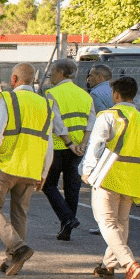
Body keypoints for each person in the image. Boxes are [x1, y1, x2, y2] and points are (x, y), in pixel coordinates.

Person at [0, 63, 67, 276]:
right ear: (33, 81)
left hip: (6, 164)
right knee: (20, 213)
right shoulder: (45, 104)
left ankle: (18, 248)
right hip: (31, 168)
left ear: (14, 79)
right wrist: (43, 173)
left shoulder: (9, 99)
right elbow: (48, 143)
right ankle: (14, 260)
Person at [80, 76, 140, 279]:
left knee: (106, 222)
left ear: (115, 95)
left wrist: (87, 170)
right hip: (135, 177)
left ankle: (129, 263)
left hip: (109, 174)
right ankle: (108, 265)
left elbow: (96, 145)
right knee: (121, 222)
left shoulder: (109, 116)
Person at [43, 59, 92, 240]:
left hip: (59, 146)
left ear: (61, 73)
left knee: (49, 184)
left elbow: (57, 122)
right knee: (73, 188)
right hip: (79, 148)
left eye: (53, 72)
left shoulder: (52, 93)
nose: (51, 75)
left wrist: (68, 142)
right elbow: (91, 121)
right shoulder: (85, 95)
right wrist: (82, 144)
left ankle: (68, 218)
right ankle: (67, 229)